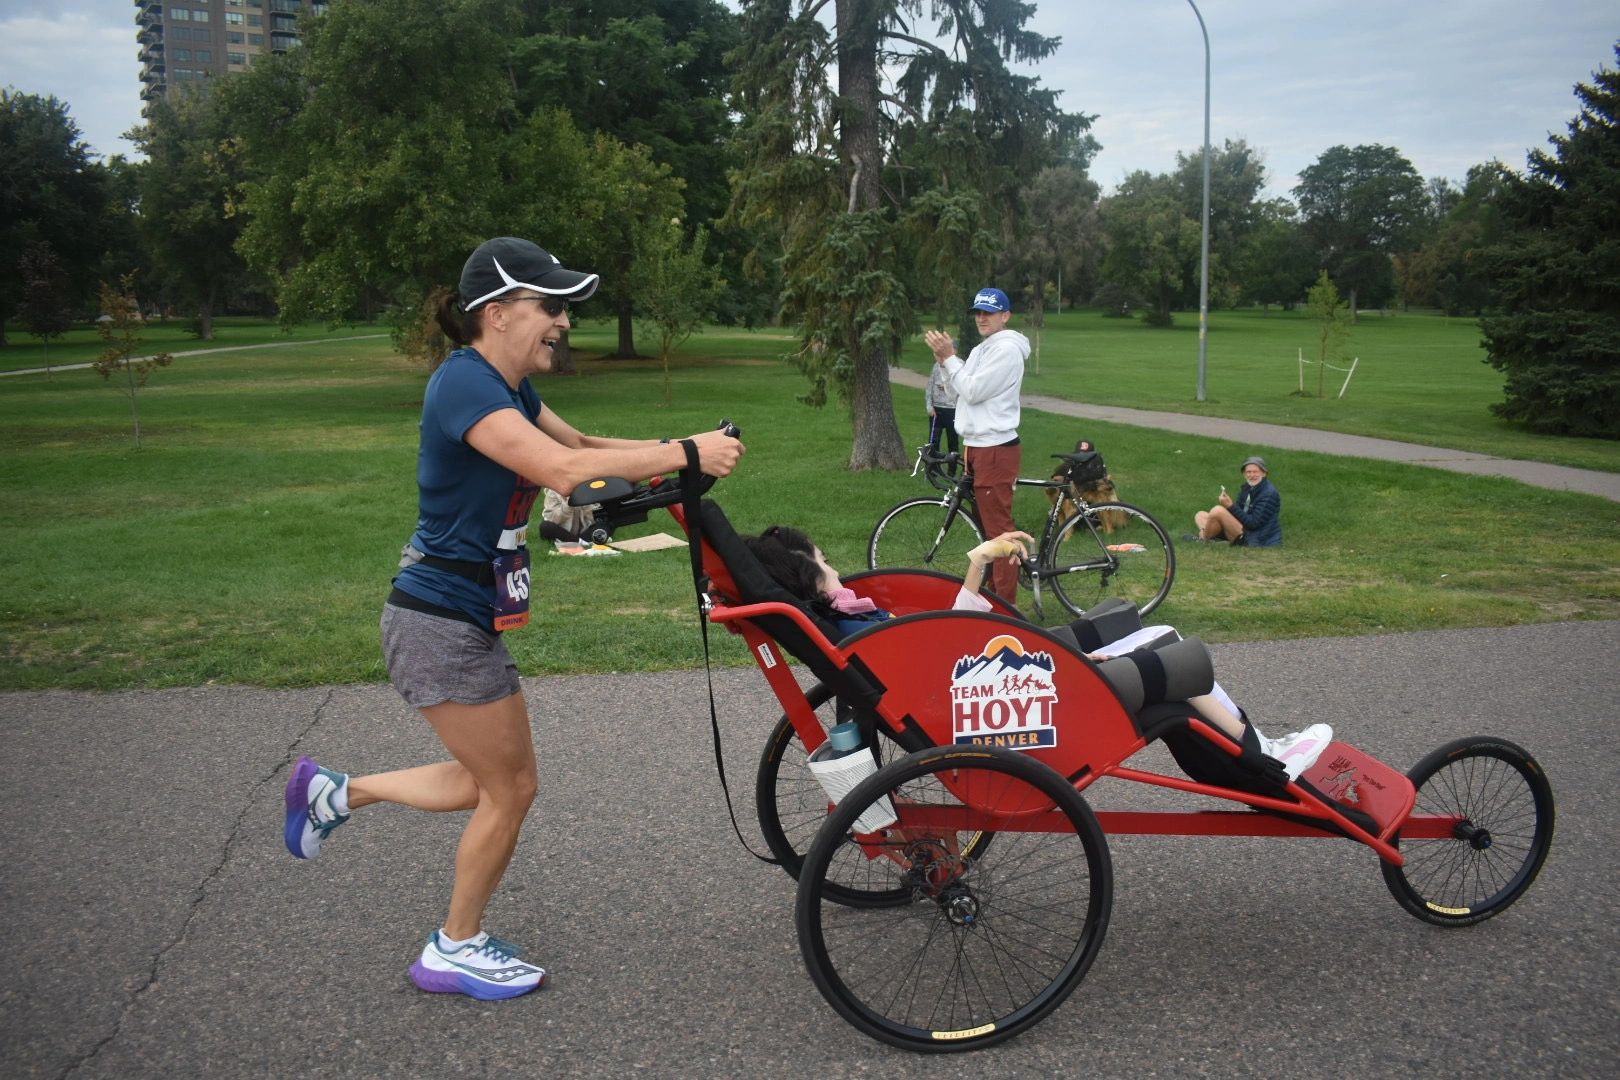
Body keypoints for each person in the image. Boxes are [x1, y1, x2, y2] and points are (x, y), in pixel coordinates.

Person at [282, 236, 744, 1001]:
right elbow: (564, 474)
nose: (563, 321)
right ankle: (453, 947)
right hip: (438, 617)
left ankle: (335, 794)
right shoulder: (463, 386)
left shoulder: (509, 390)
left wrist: (686, 453)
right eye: (550, 307)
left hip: (458, 618)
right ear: (496, 314)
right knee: (512, 787)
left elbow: (587, 447)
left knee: (487, 781)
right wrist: (684, 449)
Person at [745, 526, 1331, 779]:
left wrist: (977, 565)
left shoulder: (845, 620)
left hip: (976, 686)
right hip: (1004, 699)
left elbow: (938, 645)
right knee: (1172, 648)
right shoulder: (854, 622)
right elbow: (941, 648)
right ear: (810, 575)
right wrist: (1063, 668)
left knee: (1124, 621)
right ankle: (1264, 755)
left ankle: (1257, 748)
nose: (834, 565)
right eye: (823, 559)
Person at [924, 287, 1029, 602]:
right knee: (987, 532)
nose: (982, 318)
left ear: (1005, 316)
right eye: (978, 313)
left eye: (989, 312)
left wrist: (950, 358)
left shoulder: (1006, 350)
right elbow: (957, 390)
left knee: (1000, 534)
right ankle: (993, 597)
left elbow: (972, 390)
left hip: (995, 448)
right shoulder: (986, 348)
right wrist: (945, 362)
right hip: (979, 446)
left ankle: (1006, 608)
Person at [1193, 455, 1282, 546]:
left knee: (1217, 510)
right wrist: (1228, 509)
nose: (1251, 475)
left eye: (1255, 472)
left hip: (1254, 537)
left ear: (1264, 473)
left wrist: (1230, 506)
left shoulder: (1268, 493)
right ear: (1244, 474)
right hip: (1242, 529)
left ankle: (1204, 539)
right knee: (1200, 515)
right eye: (1248, 472)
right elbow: (1238, 512)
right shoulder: (1248, 488)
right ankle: (1212, 538)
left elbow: (1253, 524)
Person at [923, 353, 960, 468]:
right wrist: (929, 406)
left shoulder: (960, 365)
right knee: (933, 441)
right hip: (936, 410)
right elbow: (930, 386)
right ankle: (934, 469)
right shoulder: (936, 366)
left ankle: (952, 470)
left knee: (953, 442)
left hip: (952, 410)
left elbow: (962, 389)